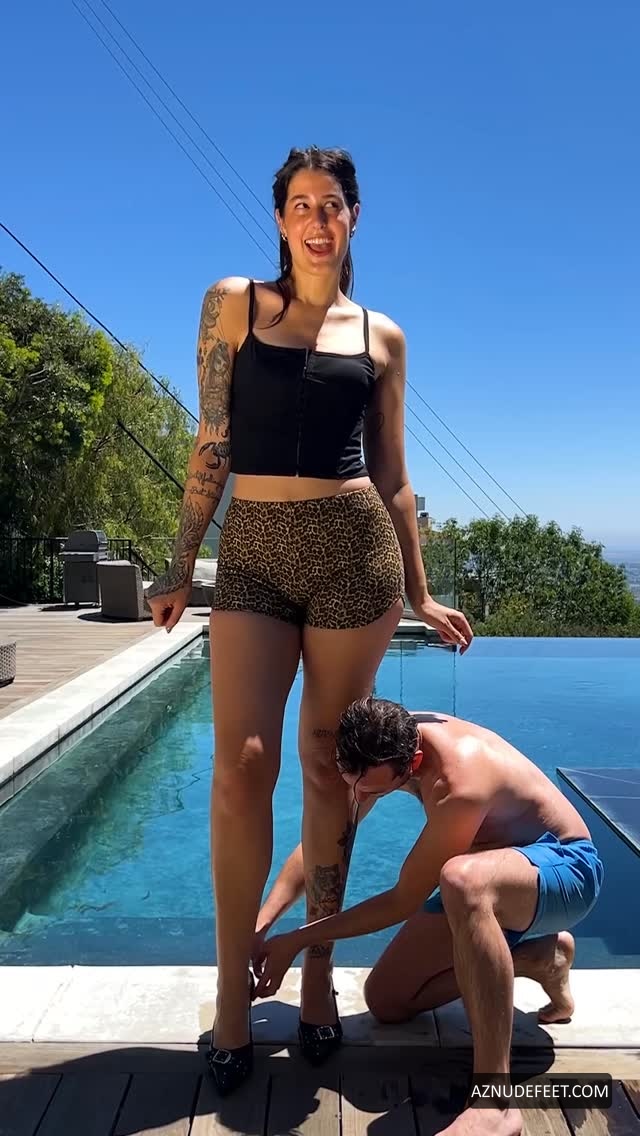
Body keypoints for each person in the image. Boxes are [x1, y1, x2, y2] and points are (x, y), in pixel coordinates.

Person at [146, 145, 474, 1096]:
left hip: (354, 558)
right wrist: (181, 564)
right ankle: (230, 990)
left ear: (354, 217)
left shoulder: (381, 337)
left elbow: (395, 477)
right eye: (300, 204)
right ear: (280, 219)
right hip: (253, 550)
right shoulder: (234, 304)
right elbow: (211, 442)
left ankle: (320, 967)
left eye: (332, 204)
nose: (317, 220)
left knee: (331, 764)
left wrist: (420, 592)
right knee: (241, 766)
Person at [253, 697, 604, 1136]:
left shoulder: (459, 784)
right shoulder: (382, 740)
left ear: (414, 763)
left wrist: (297, 940)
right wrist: (264, 924)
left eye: (373, 792)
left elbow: (401, 901)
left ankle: (495, 1103)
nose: (359, 798)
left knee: (459, 879)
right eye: (354, 785)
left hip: (565, 871)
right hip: (489, 875)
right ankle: (538, 958)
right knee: (388, 1000)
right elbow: (325, 844)